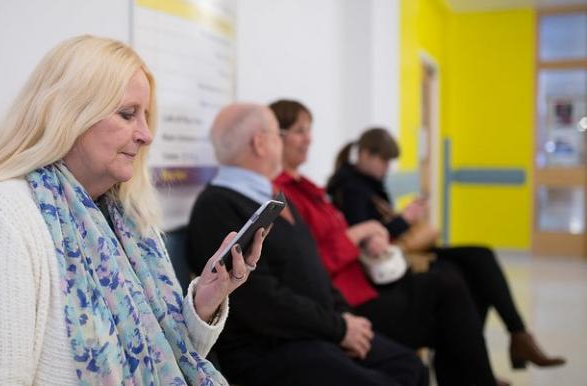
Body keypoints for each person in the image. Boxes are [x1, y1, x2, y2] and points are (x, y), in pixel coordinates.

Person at [0, 35, 266, 386]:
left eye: (146, 116)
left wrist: (204, 303)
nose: (146, 134)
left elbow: (168, 359)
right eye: (127, 114)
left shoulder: (128, 220)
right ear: (70, 114)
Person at [187, 103, 428, 386]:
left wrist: (345, 319)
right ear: (260, 143)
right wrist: (339, 329)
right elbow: (263, 304)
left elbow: (314, 271)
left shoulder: (271, 197)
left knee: (410, 367)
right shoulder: (217, 207)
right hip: (271, 351)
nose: (283, 141)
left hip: (313, 333)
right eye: (279, 134)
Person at [270, 99, 504, 386]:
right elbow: (313, 262)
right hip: (350, 300)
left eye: (309, 130)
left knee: (460, 277)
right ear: (272, 137)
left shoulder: (308, 188)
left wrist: (372, 234)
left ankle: (495, 356)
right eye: (299, 131)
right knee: (451, 289)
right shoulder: (284, 194)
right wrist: (365, 232)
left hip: (362, 284)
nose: (309, 139)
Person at [326, 127, 566, 370]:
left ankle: (505, 343)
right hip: (377, 271)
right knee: (464, 274)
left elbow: (360, 232)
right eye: (298, 132)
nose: (387, 167)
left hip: (383, 261)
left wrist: (397, 221)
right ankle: (494, 348)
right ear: (366, 154)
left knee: (478, 261)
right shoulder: (322, 190)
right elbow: (363, 237)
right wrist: (403, 220)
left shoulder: (305, 191)